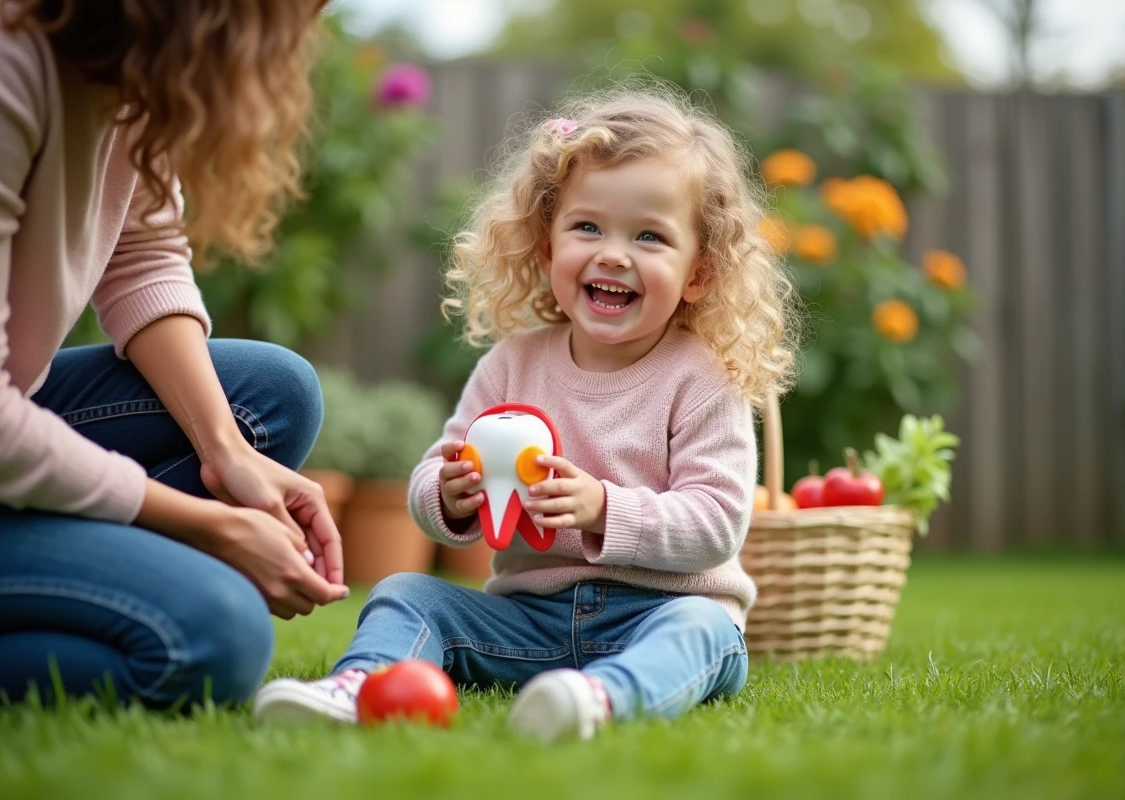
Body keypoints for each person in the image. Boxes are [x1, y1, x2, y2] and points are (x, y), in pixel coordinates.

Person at [253, 86, 798, 739]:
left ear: (698, 275)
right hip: (528, 620)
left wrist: (604, 506)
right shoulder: (512, 364)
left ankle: (599, 699)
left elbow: (716, 524)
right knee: (407, 590)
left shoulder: (703, 378)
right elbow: (435, 479)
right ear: (546, 249)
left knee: (703, 631)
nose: (613, 253)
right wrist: (452, 494)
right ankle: (361, 686)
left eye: (650, 236)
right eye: (587, 226)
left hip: (661, 611)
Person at [0, 0, 349, 711]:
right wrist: (208, 525)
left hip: (0, 429)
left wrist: (226, 454)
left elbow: (143, 255)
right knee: (216, 633)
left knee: (271, 396)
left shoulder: (133, 68)